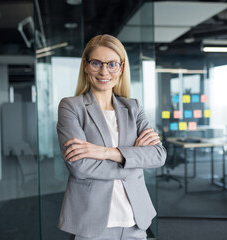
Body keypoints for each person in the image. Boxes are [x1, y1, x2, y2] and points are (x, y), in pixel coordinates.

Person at [56, 34, 166, 240]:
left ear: (121, 68)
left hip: (135, 221)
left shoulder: (133, 107)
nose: (104, 71)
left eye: (112, 64)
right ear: (86, 66)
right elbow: (79, 167)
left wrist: (105, 152)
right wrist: (132, 160)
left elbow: (158, 155)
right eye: (97, 63)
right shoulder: (71, 107)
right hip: (91, 222)